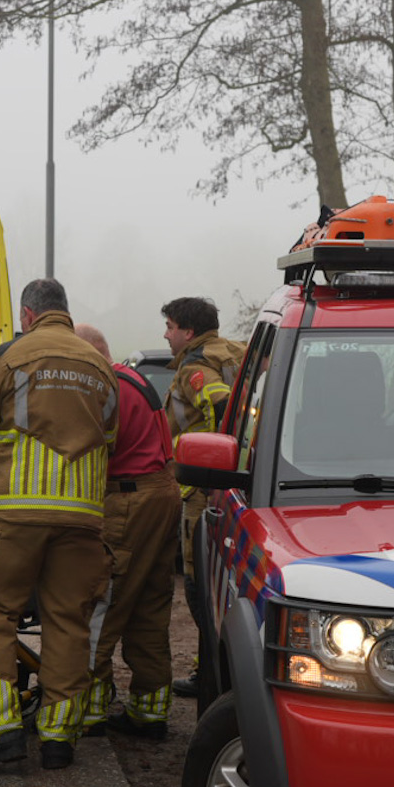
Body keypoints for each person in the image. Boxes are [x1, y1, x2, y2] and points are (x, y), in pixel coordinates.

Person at [0, 279, 117, 771]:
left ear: (27, 315)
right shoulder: (102, 368)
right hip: (83, 518)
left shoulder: (11, 357)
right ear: (65, 313)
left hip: (19, 514)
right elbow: (110, 435)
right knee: (68, 621)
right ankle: (59, 739)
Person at [75, 324, 180, 740]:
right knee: (149, 609)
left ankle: (88, 710)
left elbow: (95, 448)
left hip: (128, 500)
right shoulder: (133, 376)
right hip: (161, 494)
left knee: (103, 601)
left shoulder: (105, 387)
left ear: (90, 355)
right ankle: (150, 712)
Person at [160, 297, 245, 698]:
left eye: (170, 326)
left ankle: (211, 674)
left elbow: (221, 404)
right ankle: (206, 667)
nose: (166, 334)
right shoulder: (239, 353)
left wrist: (213, 469)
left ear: (189, 332)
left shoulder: (195, 368)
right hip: (241, 486)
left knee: (199, 585)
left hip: (202, 490)